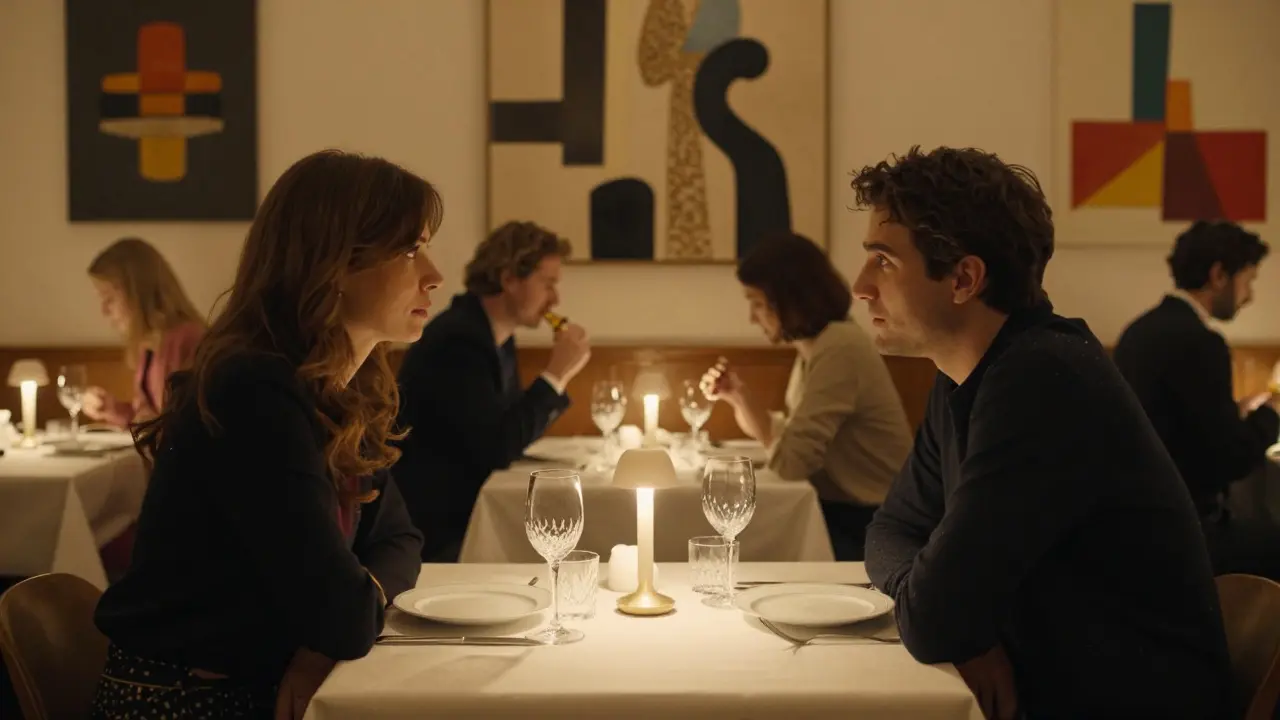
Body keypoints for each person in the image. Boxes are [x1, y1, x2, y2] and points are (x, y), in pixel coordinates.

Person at [855, 147, 1231, 718]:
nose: (860, 286)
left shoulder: (1043, 380)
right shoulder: (964, 374)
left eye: (883, 261)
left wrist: (953, 622)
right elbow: (893, 528)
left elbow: (933, 620)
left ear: (964, 278)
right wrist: (962, 629)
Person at [90, 150, 437, 719]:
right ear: (334, 265)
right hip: (185, 701)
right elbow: (343, 617)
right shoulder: (251, 393)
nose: (434, 274)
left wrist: (331, 631)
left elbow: (401, 540)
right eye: (409, 250)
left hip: (259, 686)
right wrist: (335, 628)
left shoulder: (337, 392)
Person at [700, 233, 912, 560]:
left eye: (757, 303)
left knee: (745, 546)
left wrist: (749, 404)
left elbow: (791, 462)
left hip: (873, 524)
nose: (752, 318)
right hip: (852, 512)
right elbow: (789, 439)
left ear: (790, 299)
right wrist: (738, 396)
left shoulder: (839, 347)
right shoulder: (818, 346)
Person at [394, 221, 590, 562]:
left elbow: (506, 430)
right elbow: (498, 446)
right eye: (548, 284)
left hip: (464, 515)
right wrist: (556, 374)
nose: (555, 298)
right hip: (439, 532)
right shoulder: (459, 341)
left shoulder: (496, 337)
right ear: (509, 278)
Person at [1113, 221, 1280, 580]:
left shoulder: (1138, 331)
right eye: (1248, 281)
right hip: (1185, 531)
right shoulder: (1201, 343)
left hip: (1132, 525)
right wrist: (1270, 414)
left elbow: (1177, 422)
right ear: (1219, 275)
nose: (1249, 296)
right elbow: (1227, 460)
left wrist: (1236, 411)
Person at [82, 237, 206, 427]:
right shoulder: (150, 342)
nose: (104, 311)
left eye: (110, 298)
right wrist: (112, 409)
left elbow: (182, 426)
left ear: (139, 293)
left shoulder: (186, 340)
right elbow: (149, 418)